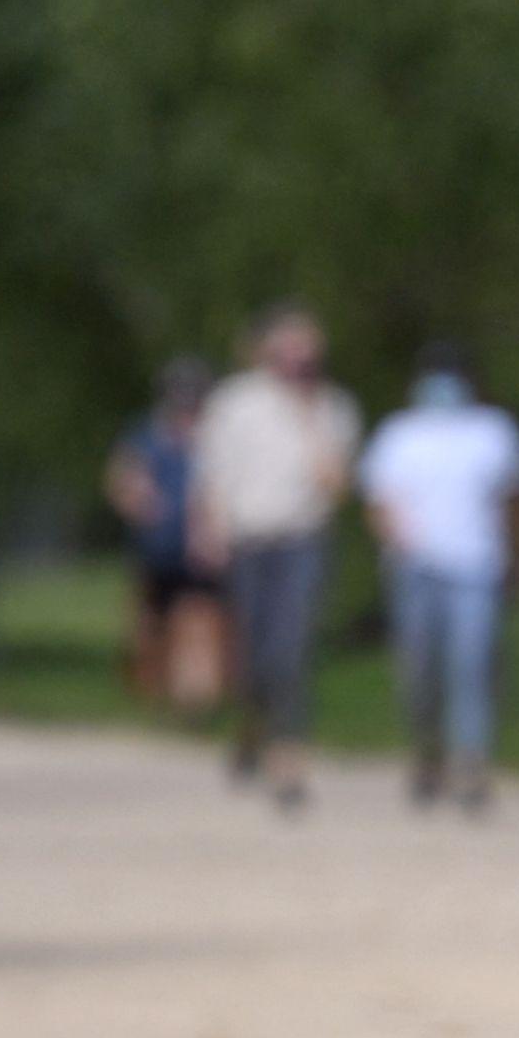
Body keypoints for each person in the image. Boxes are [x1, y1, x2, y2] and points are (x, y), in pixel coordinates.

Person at [190, 303, 360, 812]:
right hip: (247, 539)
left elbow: (336, 487)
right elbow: (213, 473)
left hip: (302, 539)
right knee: (255, 655)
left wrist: (308, 418)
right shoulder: (235, 403)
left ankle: (289, 763)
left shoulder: (334, 408)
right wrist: (208, 529)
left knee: (292, 648)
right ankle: (252, 728)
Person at [357, 343, 519, 812]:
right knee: (421, 670)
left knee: (471, 665)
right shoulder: (399, 434)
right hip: (416, 569)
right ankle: (427, 751)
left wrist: (517, 560)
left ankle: (471, 761)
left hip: (476, 567)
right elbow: (377, 499)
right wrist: (397, 539)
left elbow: (511, 501)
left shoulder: (493, 432)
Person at [104, 359, 222, 715]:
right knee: (151, 627)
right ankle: (154, 690)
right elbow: (122, 480)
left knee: (198, 621)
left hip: (201, 549)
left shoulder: (216, 438)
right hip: (157, 547)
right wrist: (137, 502)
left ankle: (194, 701)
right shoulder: (146, 435)